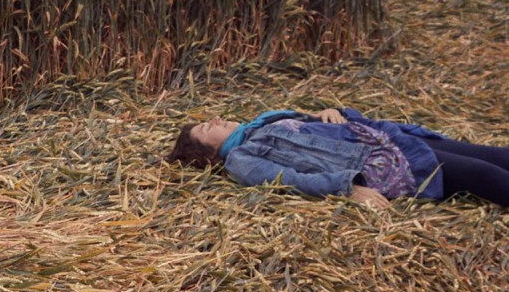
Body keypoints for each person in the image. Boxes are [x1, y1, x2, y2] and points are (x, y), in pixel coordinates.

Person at [169, 105, 509, 210]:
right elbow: (288, 179)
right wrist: (347, 188)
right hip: (387, 164)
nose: (214, 120)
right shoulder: (243, 159)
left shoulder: (261, 123)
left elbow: (314, 125)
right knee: (487, 175)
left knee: (498, 157)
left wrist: (328, 111)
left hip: (390, 139)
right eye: (205, 128)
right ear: (209, 154)